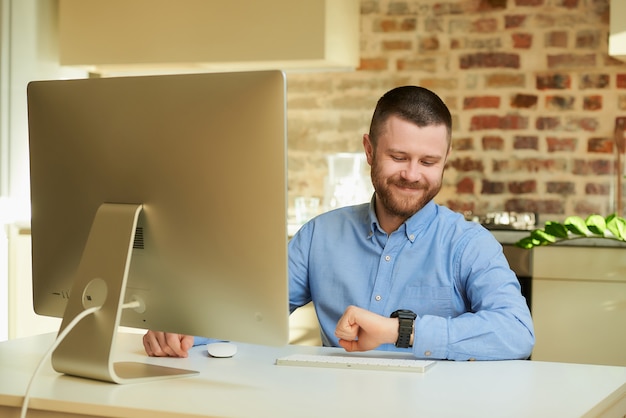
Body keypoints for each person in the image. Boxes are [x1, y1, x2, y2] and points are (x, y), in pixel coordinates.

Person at [143, 85, 535, 361]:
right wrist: (186, 328)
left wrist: (399, 332)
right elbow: (254, 309)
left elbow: (517, 333)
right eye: (399, 157)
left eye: (429, 162)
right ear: (369, 150)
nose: (413, 175)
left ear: (445, 159)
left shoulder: (468, 243)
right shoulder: (319, 236)